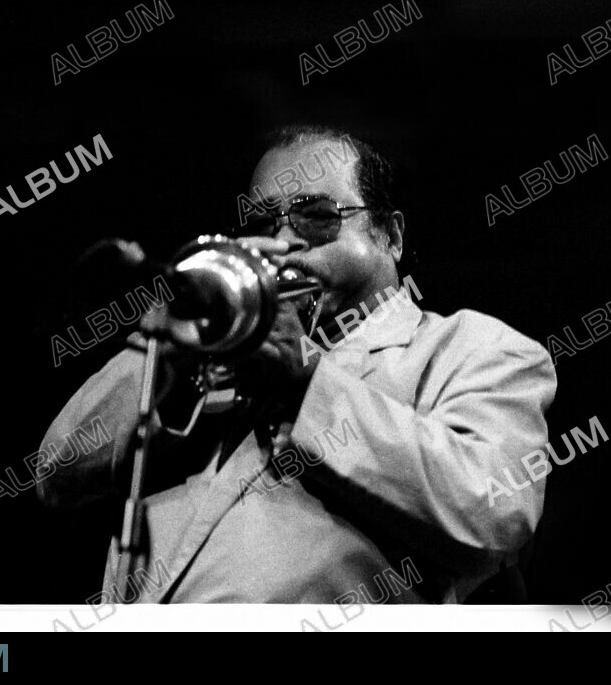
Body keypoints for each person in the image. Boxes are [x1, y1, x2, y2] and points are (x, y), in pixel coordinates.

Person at [37, 125, 557, 605]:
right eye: (264, 221)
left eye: (316, 216)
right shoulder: (209, 349)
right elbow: (56, 476)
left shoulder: (474, 348)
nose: (284, 241)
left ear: (391, 235)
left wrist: (307, 383)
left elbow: (495, 518)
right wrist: (167, 349)